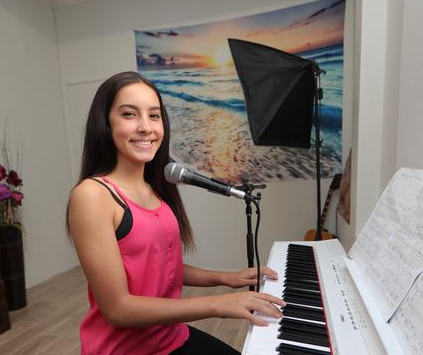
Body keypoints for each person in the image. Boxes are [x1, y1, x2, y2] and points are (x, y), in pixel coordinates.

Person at [67, 71, 285, 355]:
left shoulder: (155, 188)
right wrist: (217, 304)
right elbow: (118, 309)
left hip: (170, 336)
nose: (146, 127)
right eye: (130, 114)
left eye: (154, 116)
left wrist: (227, 278)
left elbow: (160, 268)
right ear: (106, 125)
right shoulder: (93, 195)